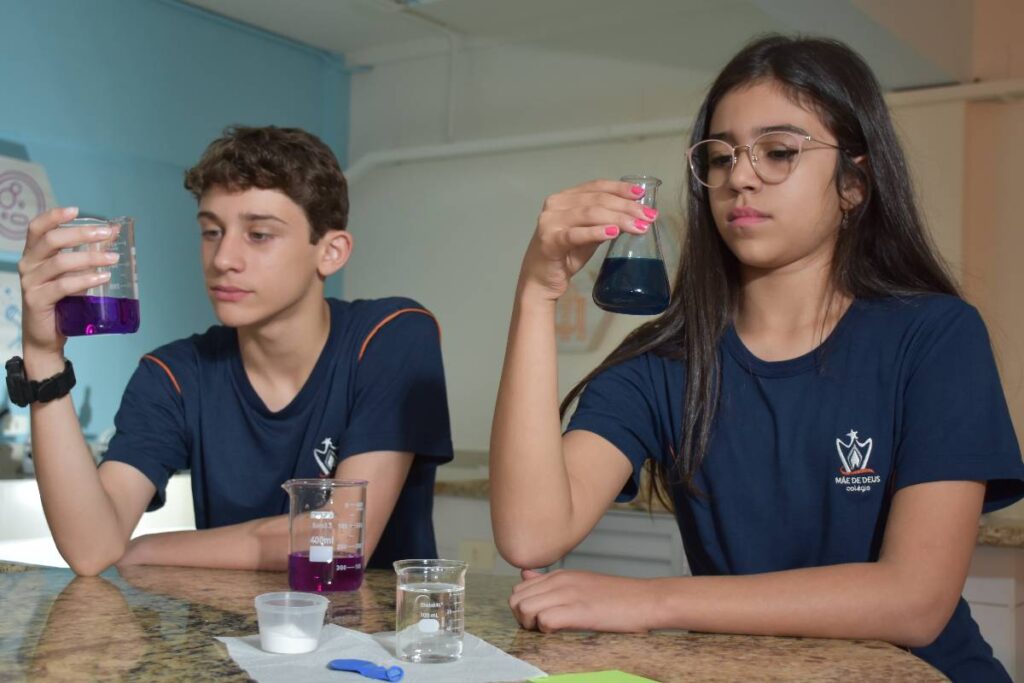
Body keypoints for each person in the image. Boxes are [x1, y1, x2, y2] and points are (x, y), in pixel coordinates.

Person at [489, 35, 1024, 681]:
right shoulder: (667, 361)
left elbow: (914, 600)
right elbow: (530, 535)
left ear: (854, 183)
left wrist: (649, 598)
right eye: (720, 156)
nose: (739, 175)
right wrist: (536, 294)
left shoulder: (935, 336)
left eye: (778, 151)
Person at [16, 126, 452, 577]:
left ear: (331, 252)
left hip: (374, 640)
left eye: (259, 234)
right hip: (225, 642)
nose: (223, 257)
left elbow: (340, 541)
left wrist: (143, 549)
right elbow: (91, 549)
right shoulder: (172, 374)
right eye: (211, 231)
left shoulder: (391, 336)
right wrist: (43, 356)